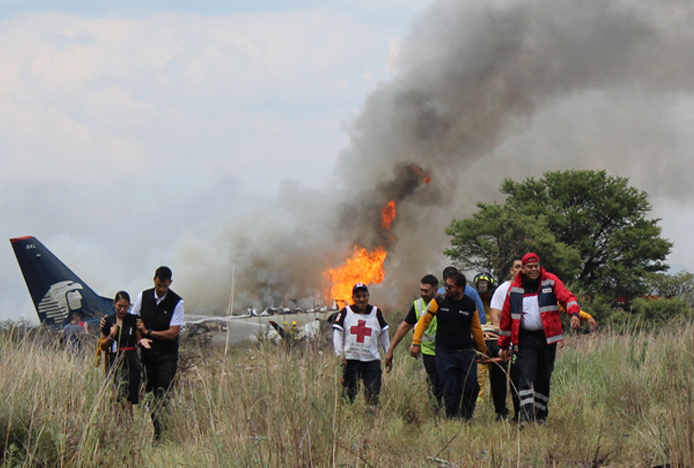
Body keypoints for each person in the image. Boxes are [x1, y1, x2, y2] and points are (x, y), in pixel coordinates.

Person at [498, 252, 580, 424]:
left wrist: (574, 313)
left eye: (536, 266)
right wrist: (504, 345)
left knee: (544, 376)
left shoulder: (550, 281)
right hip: (525, 339)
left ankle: (541, 416)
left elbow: (567, 297)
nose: (534, 269)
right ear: (524, 269)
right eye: (530, 266)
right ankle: (526, 418)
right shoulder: (514, 289)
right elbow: (506, 319)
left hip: (547, 339)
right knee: (525, 376)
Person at [411, 272, 487, 419]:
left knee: (472, 387)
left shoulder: (470, 305)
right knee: (451, 387)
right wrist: (416, 342)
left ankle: (466, 417)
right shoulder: (439, 301)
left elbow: (476, 329)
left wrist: (483, 350)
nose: (445, 288)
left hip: (466, 352)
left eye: (449, 286)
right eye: (445, 285)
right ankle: (451, 418)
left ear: (461, 289)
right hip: (444, 353)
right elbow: (423, 322)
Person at [133, 266, 184, 440]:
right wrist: (141, 339)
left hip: (167, 357)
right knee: (150, 394)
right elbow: (135, 321)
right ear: (154, 279)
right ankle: (157, 431)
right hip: (148, 356)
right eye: (159, 284)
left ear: (170, 283)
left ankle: (164, 433)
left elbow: (172, 333)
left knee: (163, 393)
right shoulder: (143, 296)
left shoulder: (177, 302)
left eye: (165, 286)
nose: (161, 289)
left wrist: (149, 333)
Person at [385, 274, 442, 408]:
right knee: (434, 383)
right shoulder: (417, 305)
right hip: (428, 351)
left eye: (426, 291)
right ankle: (438, 411)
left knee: (447, 381)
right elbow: (404, 327)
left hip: (445, 350)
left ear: (436, 290)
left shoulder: (444, 302)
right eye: (421, 290)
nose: (423, 293)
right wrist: (391, 349)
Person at [332, 283, 390, 406]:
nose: (361, 299)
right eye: (358, 296)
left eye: (364, 296)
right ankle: (348, 419)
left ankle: (370, 420)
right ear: (353, 298)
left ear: (368, 296)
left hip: (371, 361)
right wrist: (339, 355)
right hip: (351, 361)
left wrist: (388, 353)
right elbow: (337, 333)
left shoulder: (376, 313)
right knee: (349, 394)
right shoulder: (346, 312)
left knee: (373, 393)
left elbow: (384, 334)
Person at [100, 291, 144, 420]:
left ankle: (129, 425)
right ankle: (117, 423)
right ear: (114, 304)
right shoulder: (108, 321)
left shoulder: (133, 320)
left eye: (125, 306)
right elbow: (102, 346)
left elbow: (138, 339)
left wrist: (142, 341)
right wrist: (111, 336)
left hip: (131, 359)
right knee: (115, 395)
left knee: (129, 396)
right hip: (114, 359)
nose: (122, 309)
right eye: (120, 306)